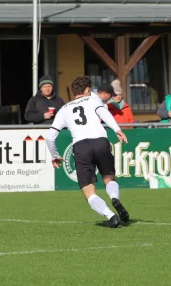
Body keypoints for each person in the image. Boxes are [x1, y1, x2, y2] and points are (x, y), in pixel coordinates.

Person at [45, 76, 130, 229]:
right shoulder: (93, 100)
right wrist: (117, 129)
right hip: (100, 141)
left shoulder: (64, 109)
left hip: (81, 146)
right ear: (88, 90)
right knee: (109, 177)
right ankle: (114, 198)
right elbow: (105, 115)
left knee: (88, 191)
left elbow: (50, 136)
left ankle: (111, 216)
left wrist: (55, 155)